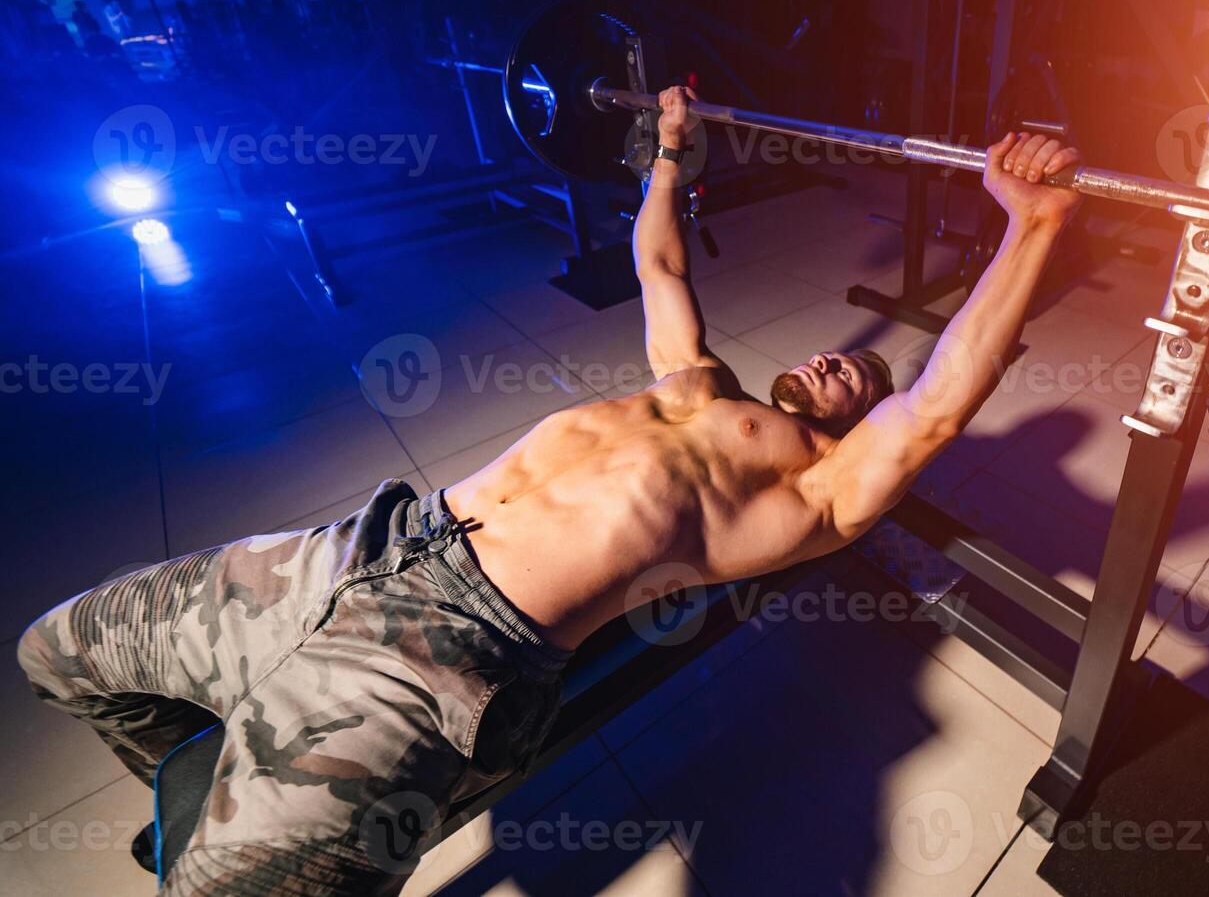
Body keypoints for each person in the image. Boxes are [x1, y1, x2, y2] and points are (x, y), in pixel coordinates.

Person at [18, 85, 1082, 894]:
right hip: (357, 546)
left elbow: (939, 401)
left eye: (860, 379)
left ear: (855, 424)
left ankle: (256, 792)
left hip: (425, 664)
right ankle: (218, 755)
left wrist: (1030, 225)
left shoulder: (817, 492)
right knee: (54, 649)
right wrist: (669, 151)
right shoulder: (698, 381)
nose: (840, 367)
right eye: (840, 359)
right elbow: (662, 268)